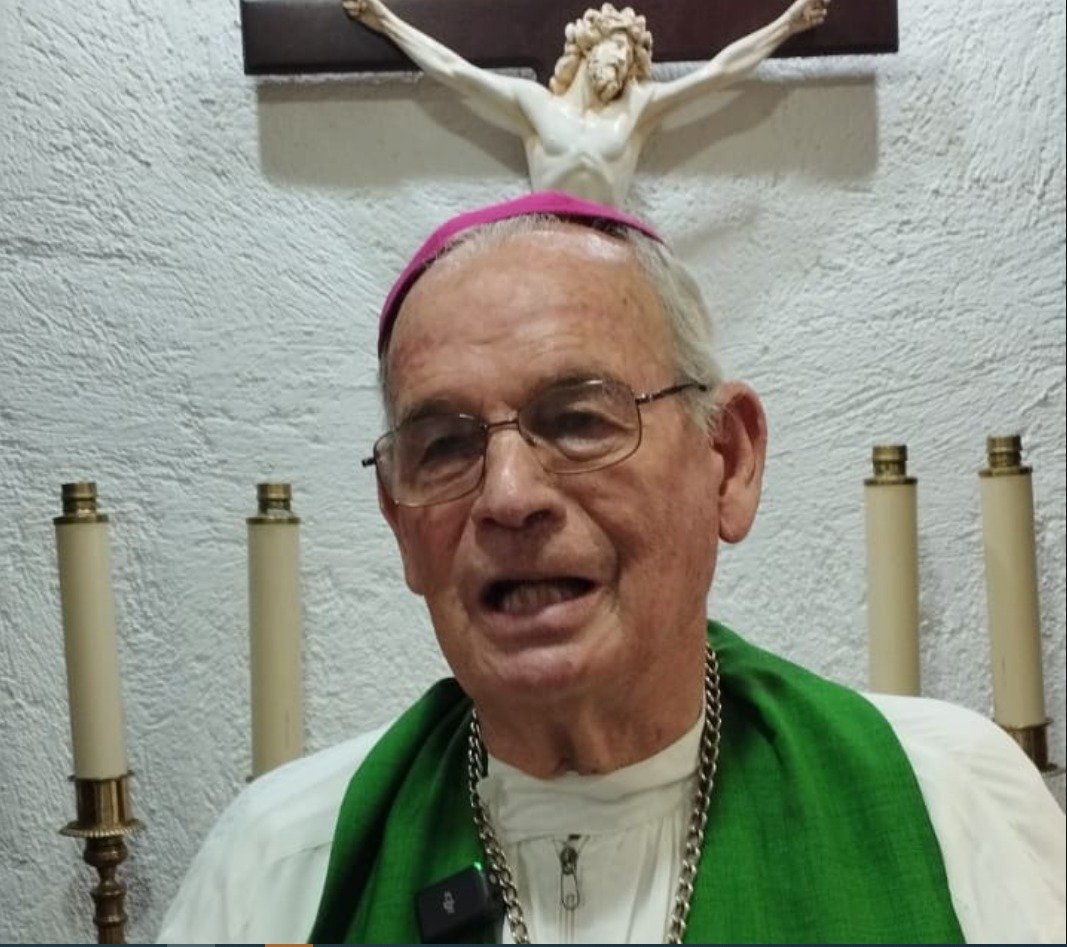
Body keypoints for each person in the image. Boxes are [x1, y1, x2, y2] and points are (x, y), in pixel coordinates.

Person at [158, 191, 1065, 944]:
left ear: (727, 460)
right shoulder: (278, 863)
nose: (508, 496)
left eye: (578, 419)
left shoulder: (950, 803)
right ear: (400, 520)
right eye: (444, 446)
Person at [340, 0, 830, 206]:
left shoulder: (637, 109)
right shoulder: (535, 104)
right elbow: (454, 70)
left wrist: (787, 23)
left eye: (629, 57)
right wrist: (386, 20)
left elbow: (719, 72)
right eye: (614, 49)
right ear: (588, 47)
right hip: (547, 241)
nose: (620, 62)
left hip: (612, 244)